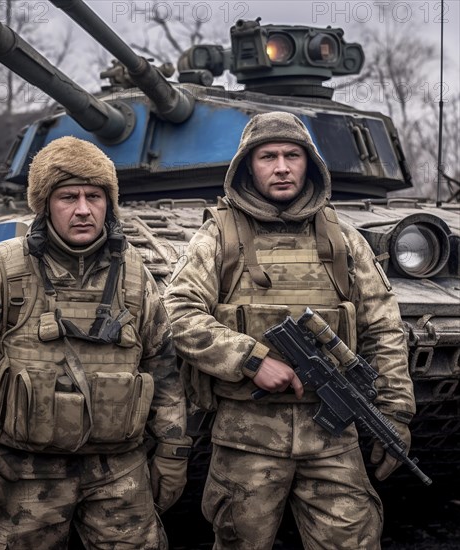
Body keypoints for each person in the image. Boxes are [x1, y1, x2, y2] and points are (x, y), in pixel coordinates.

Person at [163, 112, 415, 549]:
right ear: (248, 166)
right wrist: (251, 359)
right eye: (268, 156)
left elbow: (383, 326)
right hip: (246, 437)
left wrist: (395, 411)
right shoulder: (218, 237)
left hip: (333, 438)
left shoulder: (342, 240)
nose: (281, 166)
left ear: (308, 164)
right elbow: (177, 312)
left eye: (292, 155)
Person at [0, 136, 191, 549]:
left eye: (95, 196)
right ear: (46, 203)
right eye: (69, 196)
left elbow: (163, 370)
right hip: (25, 475)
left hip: (119, 472)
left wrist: (174, 449)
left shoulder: (136, 277)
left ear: (110, 203)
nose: (84, 209)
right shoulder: (4, 271)